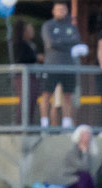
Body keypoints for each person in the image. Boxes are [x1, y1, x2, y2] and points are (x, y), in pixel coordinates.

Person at [40, 1, 83, 129]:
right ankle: (44, 122)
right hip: (52, 66)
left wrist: (61, 43)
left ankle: (66, 122)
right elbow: (51, 43)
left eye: (63, 9)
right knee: (47, 94)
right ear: (53, 11)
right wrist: (67, 44)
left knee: (68, 95)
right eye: (58, 9)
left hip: (68, 67)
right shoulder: (48, 25)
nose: (61, 12)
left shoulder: (71, 27)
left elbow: (76, 41)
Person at [60, 124, 97, 188]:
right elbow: (82, 167)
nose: (88, 138)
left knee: (87, 180)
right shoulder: (72, 151)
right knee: (86, 177)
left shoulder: (89, 151)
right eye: (85, 136)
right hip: (71, 178)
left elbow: (89, 168)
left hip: (82, 181)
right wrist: (84, 153)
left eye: (89, 136)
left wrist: (86, 153)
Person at [13, 19, 43, 126]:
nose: (32, 31)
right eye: (30, 29)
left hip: (33, 76)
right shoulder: (19, 44)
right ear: (24, 31)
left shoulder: (31, 44)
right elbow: (20, 58)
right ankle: (20, 126)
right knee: (25, 101)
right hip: (23, 76)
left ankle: (28, 124)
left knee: (32, 102)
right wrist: (36, 57)